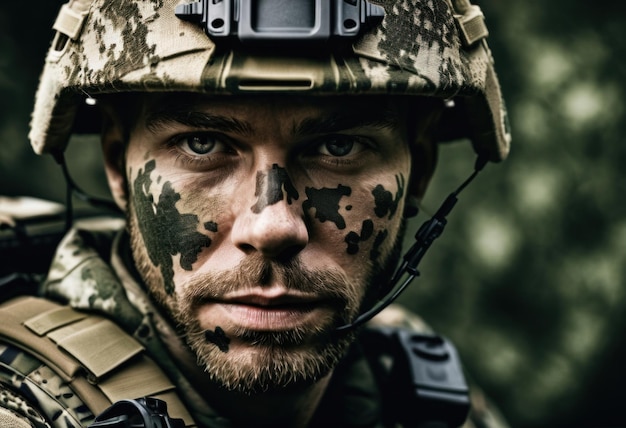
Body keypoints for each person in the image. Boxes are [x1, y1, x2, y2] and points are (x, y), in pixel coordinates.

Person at [0, 0, 511, 426]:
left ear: (418, 170)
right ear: (117, 163)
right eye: (202, 144)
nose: (273, 226)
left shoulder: (410, 382)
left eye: (337, 145)